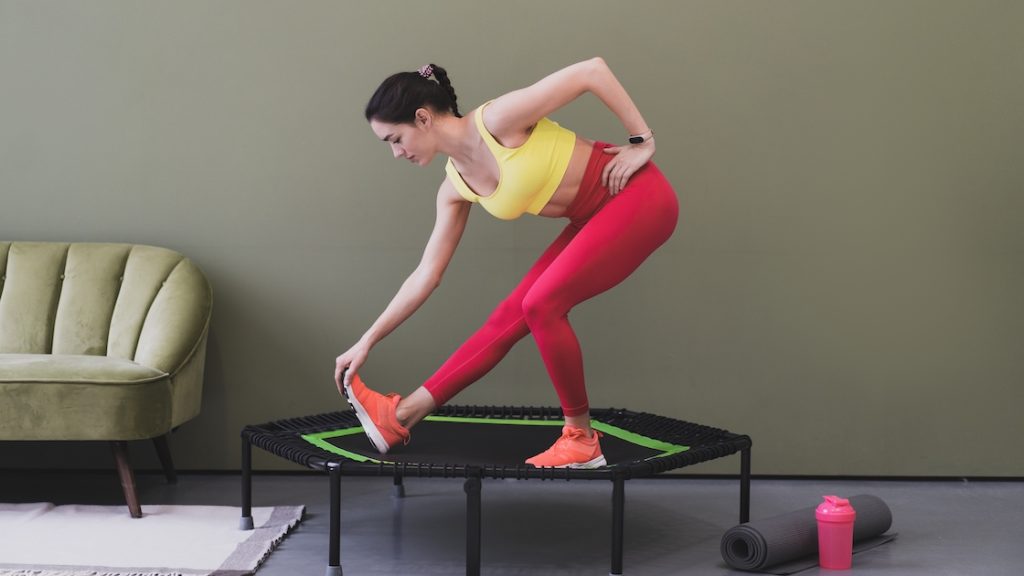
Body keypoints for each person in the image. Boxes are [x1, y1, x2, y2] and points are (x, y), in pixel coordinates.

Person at [334, 58, 678, 469]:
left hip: (637, 196)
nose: (396, 153)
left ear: (422, 118)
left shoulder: (497, 121)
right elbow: (427, 274)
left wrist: (642, 141)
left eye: (395, 138)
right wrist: (367, 340)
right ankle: (401, 417)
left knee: (541, 304)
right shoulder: (455, 187)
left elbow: (592, 71)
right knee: (509, 315)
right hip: (591, 217)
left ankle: (581, 439)